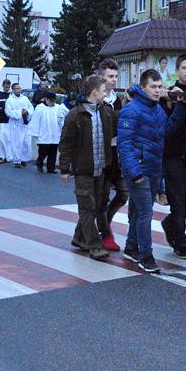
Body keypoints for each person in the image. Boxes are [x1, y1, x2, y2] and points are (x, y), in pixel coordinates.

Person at [117, 69, 183, 273]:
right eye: (153, 87)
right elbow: (124, 144)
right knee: (146, 211)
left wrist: (180, 107)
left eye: (159, 86)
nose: (157, 90)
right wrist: (134, 171)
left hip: (154, 168)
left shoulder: (157, 109)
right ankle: (146, 256)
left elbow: (166, 131)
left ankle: (131, 247)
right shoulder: (131, 110)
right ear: (143, 87)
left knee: (138, 211)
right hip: (139, 170)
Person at [58, 75, 116, 261]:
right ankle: (94, 245)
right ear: (94, 92)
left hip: (101, 168)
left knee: (97, 206)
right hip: (83, 169)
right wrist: (65, 169)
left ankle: (79, 237)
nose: (106, 93)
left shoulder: (105, 112)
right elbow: (66, 144)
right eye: (104, 90)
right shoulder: (75, 115)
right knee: (86, 207)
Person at [160, 54, 186, 260]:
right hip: (173, 154)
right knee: (178, 200)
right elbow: (164, 128)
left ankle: (170, 224)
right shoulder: (168, 95)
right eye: (184, 67)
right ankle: (181, 243)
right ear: (177, 70)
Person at [97, 59, 129, 252]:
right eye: (110, 76)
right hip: (101, 156)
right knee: (101, 199)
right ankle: (105, 234)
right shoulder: (96, 99)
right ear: (101, 76)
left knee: (124, 192)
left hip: (117, 156)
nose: (114, 80)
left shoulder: (116, 100)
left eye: (116, 76)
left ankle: (102, 225)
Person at [28, 92, 63, 173]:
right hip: (44, 134)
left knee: (53, 153)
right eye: (50, 101)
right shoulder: (40, 108)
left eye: (53, 101)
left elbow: (61, 120)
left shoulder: (58, 107)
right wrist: (35, 133)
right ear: (46, 99)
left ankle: (51, 168)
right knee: (43, 152)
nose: (52, 102)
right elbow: (36, 121)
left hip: (55, 134)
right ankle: (39, 163)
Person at [5, 83, 34, 168]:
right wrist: (20, 112)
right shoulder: (10, 100)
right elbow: (8, 112)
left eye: (19, 88)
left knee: (26, 142)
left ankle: (24, 159)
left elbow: (31, 108)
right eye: (16, 88)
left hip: (25, 123)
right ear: (13, 90)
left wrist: (27, 111)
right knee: (17, 143)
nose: (18, 90)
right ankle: (17, 160)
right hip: (15, 125)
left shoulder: (25, 98)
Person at [0, 80, 12, 163]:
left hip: (9, 121)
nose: (7, 88)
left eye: (8, 87)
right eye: (6, 87)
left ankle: (8, 156)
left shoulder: (11, 96)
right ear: (2, 86)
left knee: (8, 140)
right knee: (0, 139)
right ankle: (0, 156)